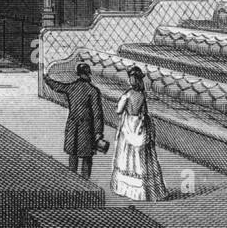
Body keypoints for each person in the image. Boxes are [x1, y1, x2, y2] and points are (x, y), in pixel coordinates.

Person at [110, 65, 168, 201]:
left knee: (127, 155)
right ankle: (145, 190)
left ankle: (126, 188)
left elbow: (118, 110)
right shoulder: (142, 95)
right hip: (140, 125)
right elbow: (145, 111)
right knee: (141, 157)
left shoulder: (128, 94)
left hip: (129, 125)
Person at [43, 60, 105, 180]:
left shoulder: (71, 87)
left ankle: (72, 181)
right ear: (88, 74)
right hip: (87, 129)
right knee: (87, 158)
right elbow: (97, 114)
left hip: (73, 126)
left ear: (78, 74)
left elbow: (57, 86)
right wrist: (98, 132)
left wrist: (46, 78)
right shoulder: (93, 91)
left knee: (73, 154)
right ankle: (86, 182)